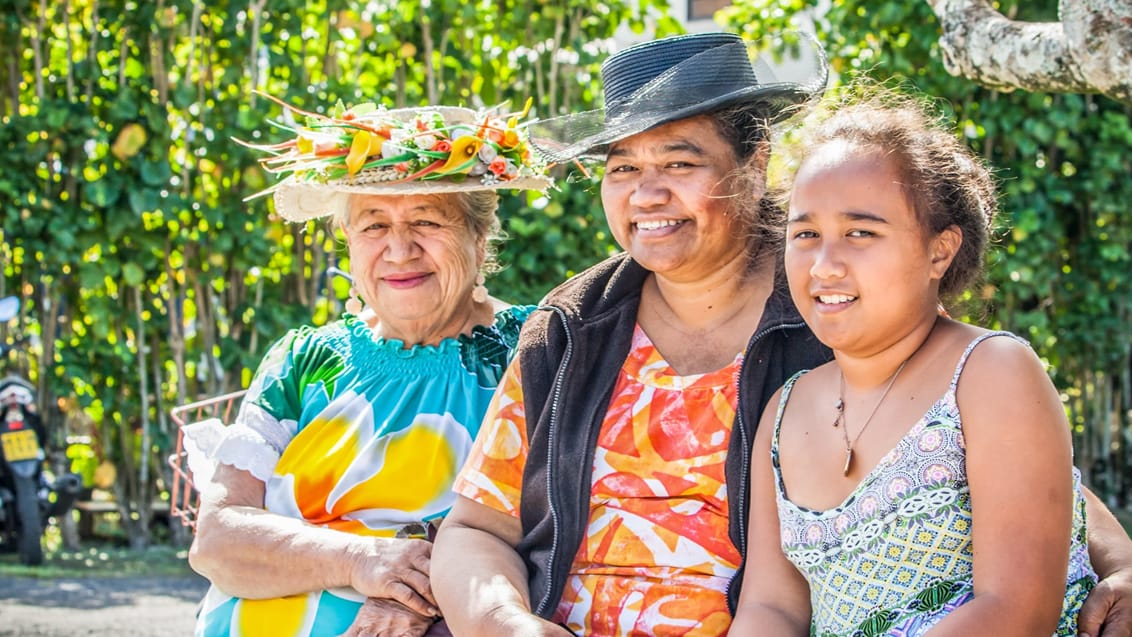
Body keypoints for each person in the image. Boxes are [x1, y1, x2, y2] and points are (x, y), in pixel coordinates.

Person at [430, 32, 1132, 637]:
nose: (646, 193)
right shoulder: (574, 325)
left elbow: (991, 447)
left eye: (678, 163)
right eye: (623, 169)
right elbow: (474, 528)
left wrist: (1121, 564)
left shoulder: (835, 301)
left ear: (755, 159)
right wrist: (505, 623)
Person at [730, 89, 1096, 636]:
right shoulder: (784, 412)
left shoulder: (990, 374)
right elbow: (771, 608)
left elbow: (1016, 611)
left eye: (861, 233)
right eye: (806, 234)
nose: (825, 266)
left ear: (939, 250)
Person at [183, 97, 551, 637]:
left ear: (479, 236)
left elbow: (554, 519)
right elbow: (217, 538)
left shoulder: (533, 348)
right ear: (349, 243)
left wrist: (418, 590)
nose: (399, 249)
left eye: (426, 220)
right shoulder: (304, 360)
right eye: (373, 225)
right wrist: (366, 562)